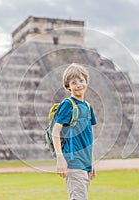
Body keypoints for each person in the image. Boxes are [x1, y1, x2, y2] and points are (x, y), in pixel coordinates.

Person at [52, 63, 97, 200]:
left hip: (85, 163)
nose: (79, 85)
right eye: (74, 82)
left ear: (86, 82)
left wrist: (91, 162)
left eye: (81, 81)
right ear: (68, 86)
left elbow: (88, 136)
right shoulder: (67, 104)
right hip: (73, 161)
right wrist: (60, 158)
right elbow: (55, 131)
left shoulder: (88, 106)